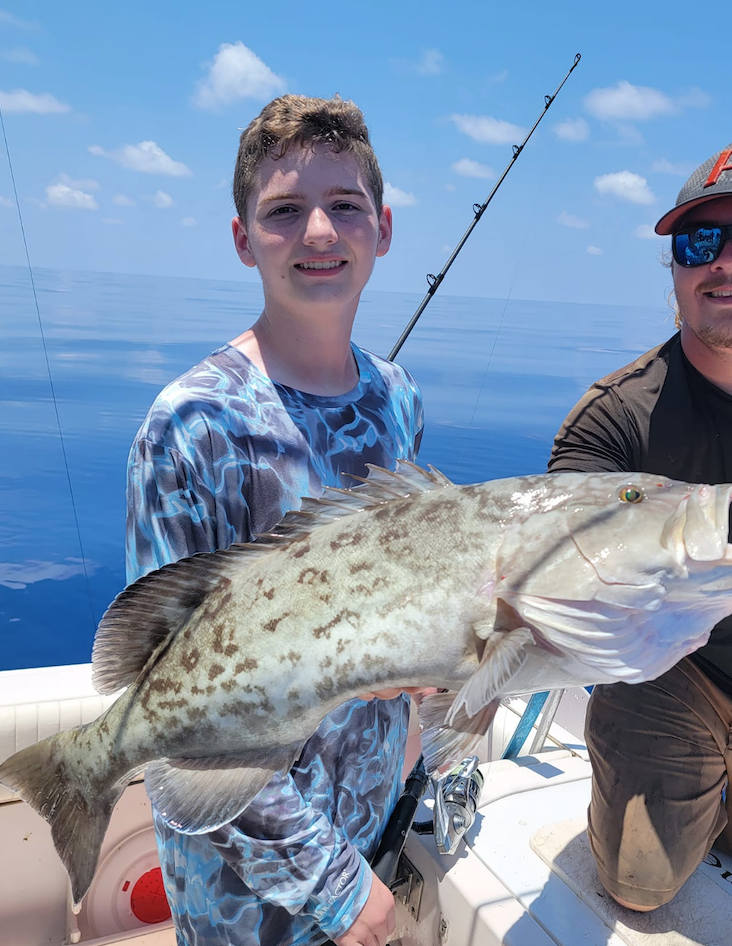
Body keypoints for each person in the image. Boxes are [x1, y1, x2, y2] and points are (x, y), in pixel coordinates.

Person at [125, 94, 424, 946]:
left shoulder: (397, 398)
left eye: (345, 206)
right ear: (242, 238)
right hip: (242, 884)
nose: (320, 232)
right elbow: (179, 711)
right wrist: (337, 892)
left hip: (366, 822)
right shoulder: (193, 427)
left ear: (384, 226)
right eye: (285, 211)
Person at [549, 140, 732, 919]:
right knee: (635, 887)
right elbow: (550, 578)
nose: (729, 260)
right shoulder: (615, 419)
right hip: (673, 670)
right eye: (699, 242)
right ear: (676, 269)